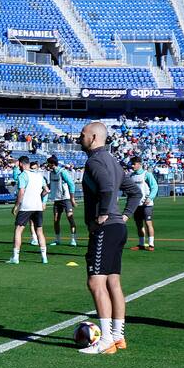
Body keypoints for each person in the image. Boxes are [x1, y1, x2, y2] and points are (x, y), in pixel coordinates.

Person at [78, 121, 142, 355]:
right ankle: (118, 336)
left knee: (95, 282)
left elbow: (106, 187)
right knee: (113, 282)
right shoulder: (113, 161)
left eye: (83, 134)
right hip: (118, 228)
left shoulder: (95, 161)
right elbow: (136, 192)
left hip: (105, 228)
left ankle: (105, 339)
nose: (79, 137)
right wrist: (124, 216)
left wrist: (103, 213)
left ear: (94, 137)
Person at [8, 157, 49, 265]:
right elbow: (46, 190)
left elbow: (21, 191)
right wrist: (39, 197)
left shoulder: (23, 175)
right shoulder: (38, 175)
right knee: (39, 231)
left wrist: (16, 206)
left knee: (18, 230)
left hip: (26, 206)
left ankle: (15, 257)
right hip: (37, 206)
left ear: (21, 164)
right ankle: (44, 257)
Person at [45, 155, 78, 246]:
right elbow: (51, 185)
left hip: (65, 199)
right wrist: (43, 191)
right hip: (56, 199)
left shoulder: (63, 172)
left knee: (70, 218)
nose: (47, 165)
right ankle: (57, 239)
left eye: (49, 164)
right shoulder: (51, 173)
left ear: (52, 164)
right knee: (56, 220)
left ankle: (73, 239)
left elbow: (71, 184)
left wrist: (72, 198)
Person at [129, 156, 158, 251]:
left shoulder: (147, 174)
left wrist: (150, 198)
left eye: (134, 164)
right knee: (138, 224)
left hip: (146, 204)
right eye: (131, 164)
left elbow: (154, 187)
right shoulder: (131, 176)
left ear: (139, 164)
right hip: (136, 204)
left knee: (148, 223)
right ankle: (141, 244)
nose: (132, 166)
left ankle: (151, 244)